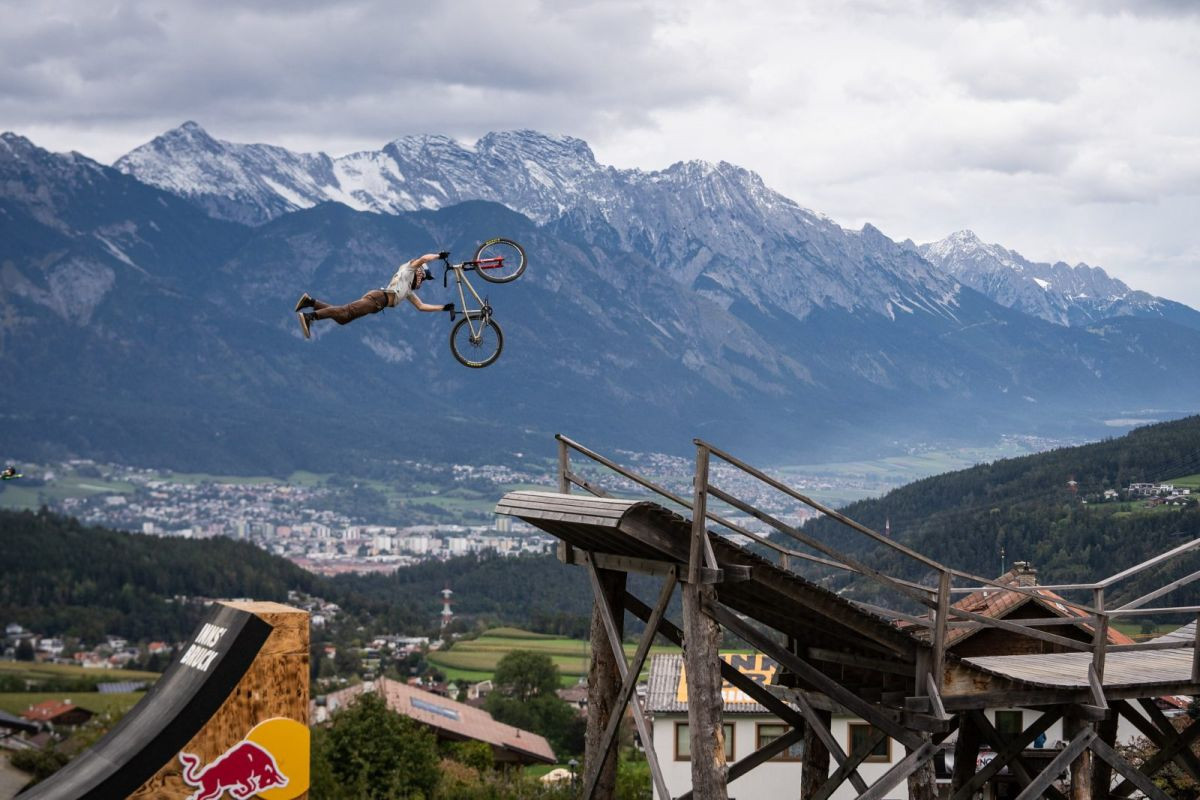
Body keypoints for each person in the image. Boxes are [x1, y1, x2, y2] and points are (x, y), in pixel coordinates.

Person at [295, 252, 455, 339]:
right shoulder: (408, 271)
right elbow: (422, 259)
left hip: (377, 303)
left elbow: (421, 306)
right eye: (424, 278)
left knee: (343, 318)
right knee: (344, 312)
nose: (423, 282)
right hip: (377, 299)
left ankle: (310, 301)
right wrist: (439, 257)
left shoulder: (408, 290)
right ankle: (309, 317)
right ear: (420, 273)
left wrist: (443, 308)